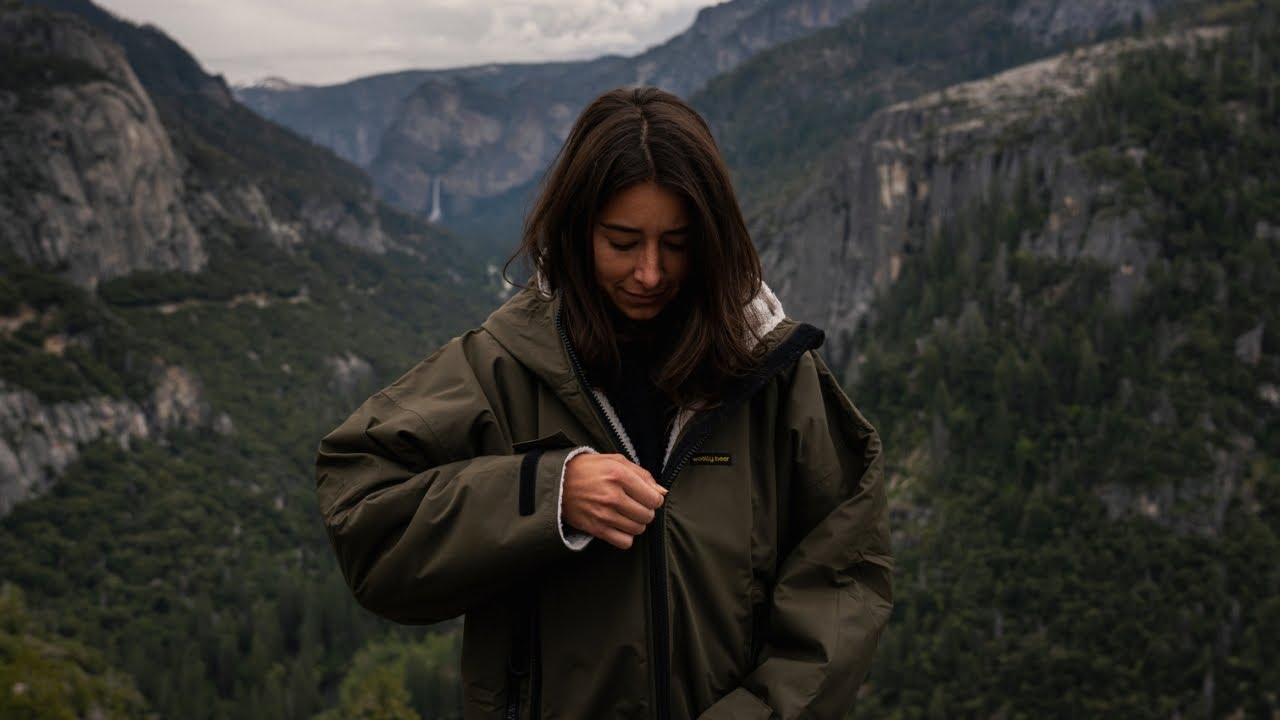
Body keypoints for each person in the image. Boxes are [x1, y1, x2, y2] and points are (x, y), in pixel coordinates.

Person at [315, 86, 892, 720]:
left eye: (676, 243)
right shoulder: (500, 370)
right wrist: (546, 494)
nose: (650, 272)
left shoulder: (777, 377)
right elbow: (363, 516)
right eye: (622, 243)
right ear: (574, 232)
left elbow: (844, 576)